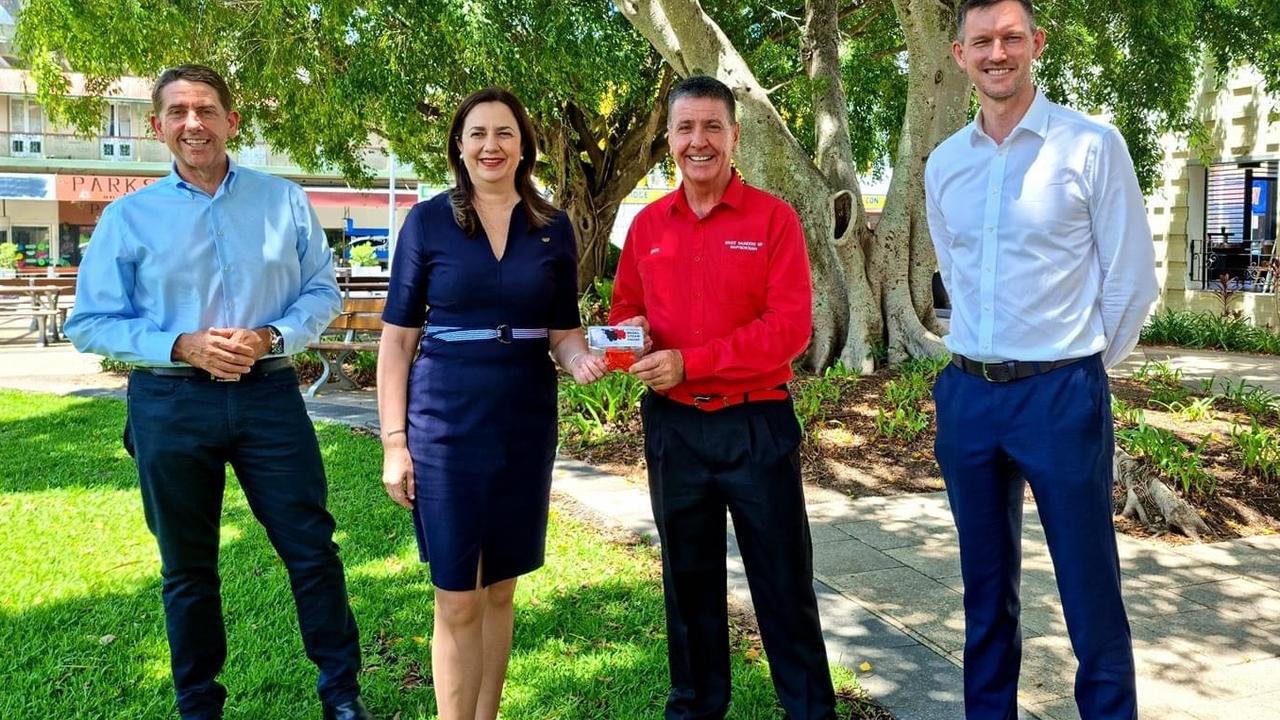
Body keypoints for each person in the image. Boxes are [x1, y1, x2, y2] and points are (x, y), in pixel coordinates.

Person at [64, 65, 371, 720]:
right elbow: (88, 321)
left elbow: (321, 290)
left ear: (233, 121)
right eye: (177, 112)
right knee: (187, 568)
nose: (192, 123)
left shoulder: (283, 200)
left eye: (206, 109)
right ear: (157, 127)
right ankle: (199, 706)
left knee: (311, 549)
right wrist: (180, 343)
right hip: (170, 402)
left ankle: (342, 696)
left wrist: (270, 335)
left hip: (269, 395)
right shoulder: (127, 217)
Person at [923, 1, 1157, 718]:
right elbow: (953, 274)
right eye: (982, 41)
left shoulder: (1090, 145)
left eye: (1012, 38)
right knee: (984, 593)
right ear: (959, 54)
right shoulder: (944, 163)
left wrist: (1074, 366)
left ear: (1037, 45)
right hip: (969, 398)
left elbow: (1131, 281)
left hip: (1060, 396)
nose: (998, 53)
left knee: (1090, 593)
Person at [609, 75, 837, 720]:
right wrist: (630, 338)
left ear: (735, 136)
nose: (699, 141)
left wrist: (691, 363)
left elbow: (788, 330)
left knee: (784, 584)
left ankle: (811, 712)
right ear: (670, 140)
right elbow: (627, 307)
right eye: (686, 128)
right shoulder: (648, 225)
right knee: (688, 584)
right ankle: (696, 708)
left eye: (712, 127)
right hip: (674, 431)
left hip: (755, 424)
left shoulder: (774, 220)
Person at [376, 87, 605, 720]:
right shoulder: (426, 221)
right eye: (477, 133)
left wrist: (578, 358)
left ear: (524, 145)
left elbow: (562, 330)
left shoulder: (553, 227)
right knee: (457, 596)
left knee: (501, 588)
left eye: (504, 133)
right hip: (444, 422)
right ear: (458, 145)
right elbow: (397, 342)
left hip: (525, 421)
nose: (490, 145)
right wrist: (395, 444)